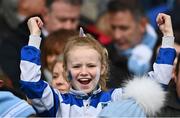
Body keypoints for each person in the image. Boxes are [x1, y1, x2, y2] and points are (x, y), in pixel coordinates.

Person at [19, 13, 175, 117]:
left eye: (91, 65)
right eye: (77, 66)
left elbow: (156, 87)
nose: (84, 72)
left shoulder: (116, 98)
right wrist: (34, 37)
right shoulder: (56, 101)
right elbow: (30, 82)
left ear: (103, 68)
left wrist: (167, 36)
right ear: (66, 70)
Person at [106, 0, 158, 88]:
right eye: (113, 28)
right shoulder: (104, 58)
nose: (117, 36)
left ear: (142, 25)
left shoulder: (168, 51)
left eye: (124, 28)